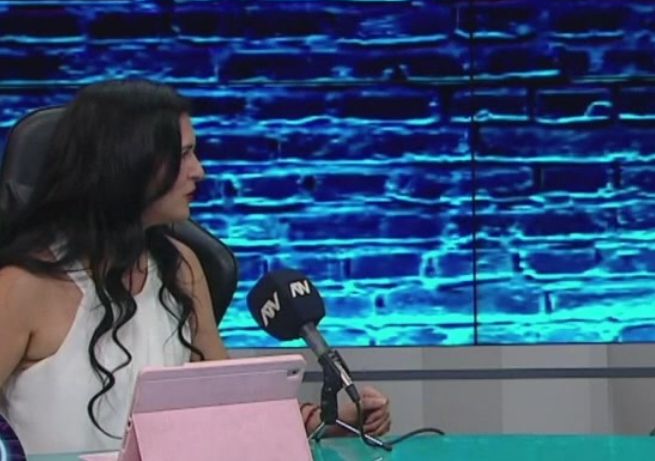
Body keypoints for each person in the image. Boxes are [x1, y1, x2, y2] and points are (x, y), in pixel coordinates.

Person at [0, 80, 391, 455]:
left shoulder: (180, 267)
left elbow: (226, 408)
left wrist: (328, 421)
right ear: (129, 163)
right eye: (183, 154)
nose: (199, 171)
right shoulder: (23, 288)